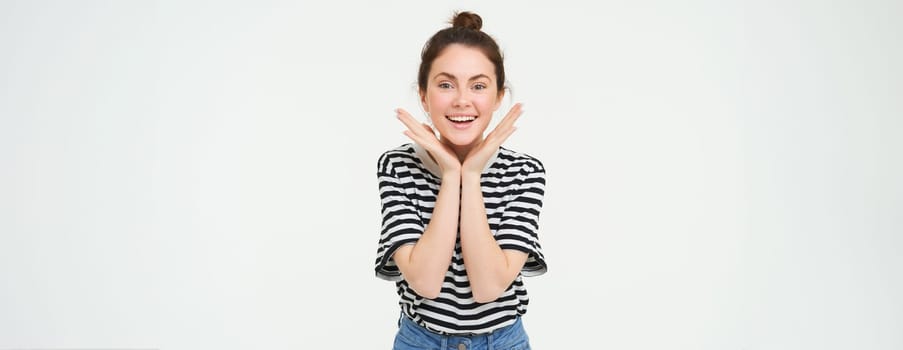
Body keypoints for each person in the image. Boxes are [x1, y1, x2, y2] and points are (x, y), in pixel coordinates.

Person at [375, 11, 547, 350]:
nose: (462, 100)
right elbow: (425, 281)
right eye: (445, 84)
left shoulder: (525, 172)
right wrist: (452, 174)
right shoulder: (398, 166)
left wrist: (471, 174)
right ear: (423, 95)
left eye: (479, 86)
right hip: (419, 341)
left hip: (502, 342)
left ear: (499, 96)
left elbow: (488, 288)